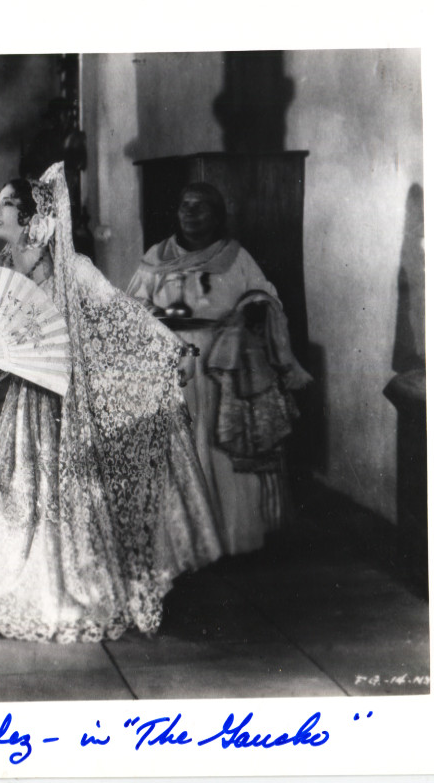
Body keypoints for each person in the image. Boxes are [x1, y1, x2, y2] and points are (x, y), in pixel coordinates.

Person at [0, 163, 221, 643]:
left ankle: (65, 598)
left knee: (71, 507)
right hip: (26, 409)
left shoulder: (74, 270)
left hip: (72, 408)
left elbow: (125, 316)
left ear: (31, 220)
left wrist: (171, 350)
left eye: (6, 204)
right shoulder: (1, 271)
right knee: (8, 501)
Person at [127, 182, 311, 556]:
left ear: (217, 215)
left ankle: (231, 538)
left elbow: (266, 295)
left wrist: (253, 308)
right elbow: (130, 304)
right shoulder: (157, 256)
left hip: (223, 362)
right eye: (185, 205)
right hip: (171, 359)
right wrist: (157, 320)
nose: (191, 213)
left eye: (201, 206)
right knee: (179, 443)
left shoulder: (236, 256)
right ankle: (184, 542)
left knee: (220, 442)